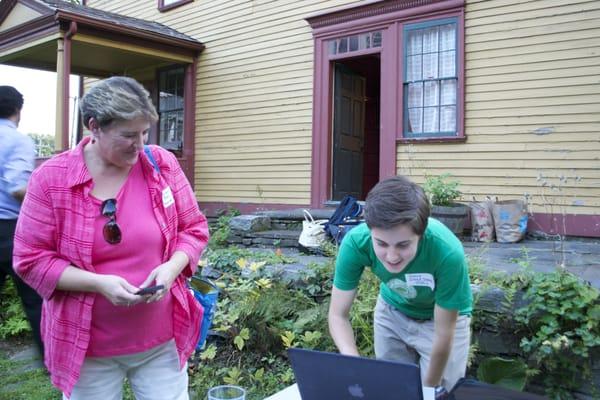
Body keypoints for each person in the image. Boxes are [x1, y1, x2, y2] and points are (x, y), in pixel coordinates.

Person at [13, 76, 209, 400]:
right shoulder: (51, 180)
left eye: (145, 133)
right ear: (95, 127)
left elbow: (193, 228)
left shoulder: (160, 164)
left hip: (160, 341)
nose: (141, 145)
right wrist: (99, 283)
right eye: (129, 135)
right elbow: (30, 259)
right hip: (89, 348)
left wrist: (172, 268)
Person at [328, 175, 472, 396]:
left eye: (403, 245)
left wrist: (428, 390)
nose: (392, 256)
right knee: (392, 389)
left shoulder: (447, 252)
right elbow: (338, 315)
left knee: (441, 392)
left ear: (420, 235)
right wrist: (352, 362)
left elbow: (444, 335)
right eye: (381, 244)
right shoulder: (356, 243)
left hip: (440, 321)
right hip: (392, 311)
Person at [0, 86, 43, 356]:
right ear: (18, 110)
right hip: (9, 230)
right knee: (34, 297)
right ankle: (54, 361)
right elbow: (17, 187)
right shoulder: (17, 140)